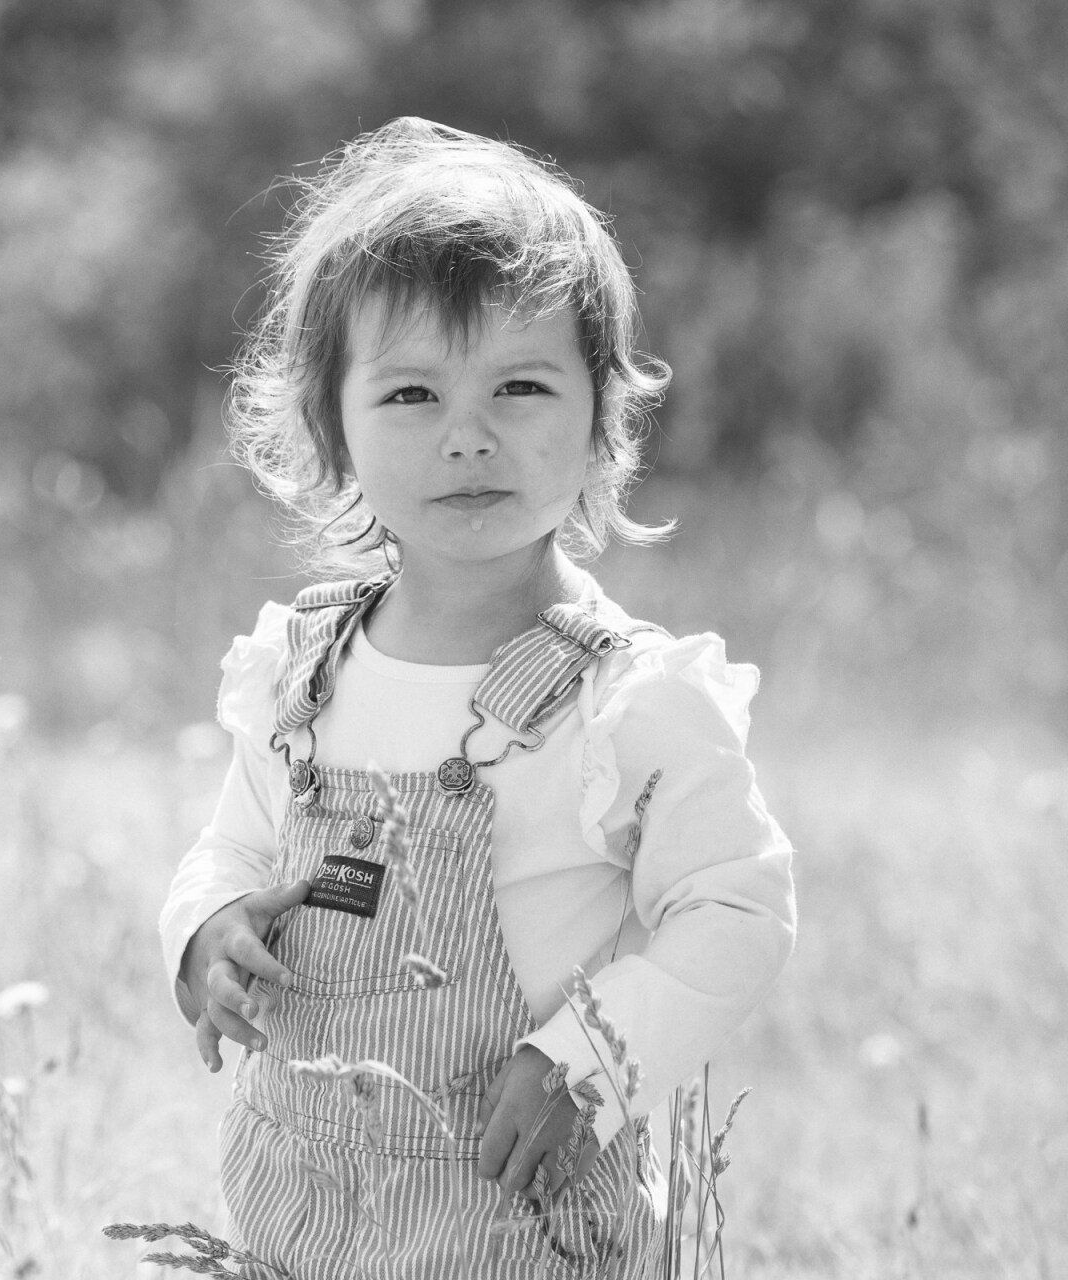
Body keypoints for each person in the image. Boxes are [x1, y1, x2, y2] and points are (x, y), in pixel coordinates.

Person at [158, 118, 797, 1278]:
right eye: (410, 394)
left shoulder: (625, 697)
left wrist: (589, 1058)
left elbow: (737, 907)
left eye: (521, 386)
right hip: (304, 1208)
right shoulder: (302, 670)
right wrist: (206, 932)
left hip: (528, 1219)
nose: (469, 437)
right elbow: (230, 848)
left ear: (602, 415)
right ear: (330, 427)